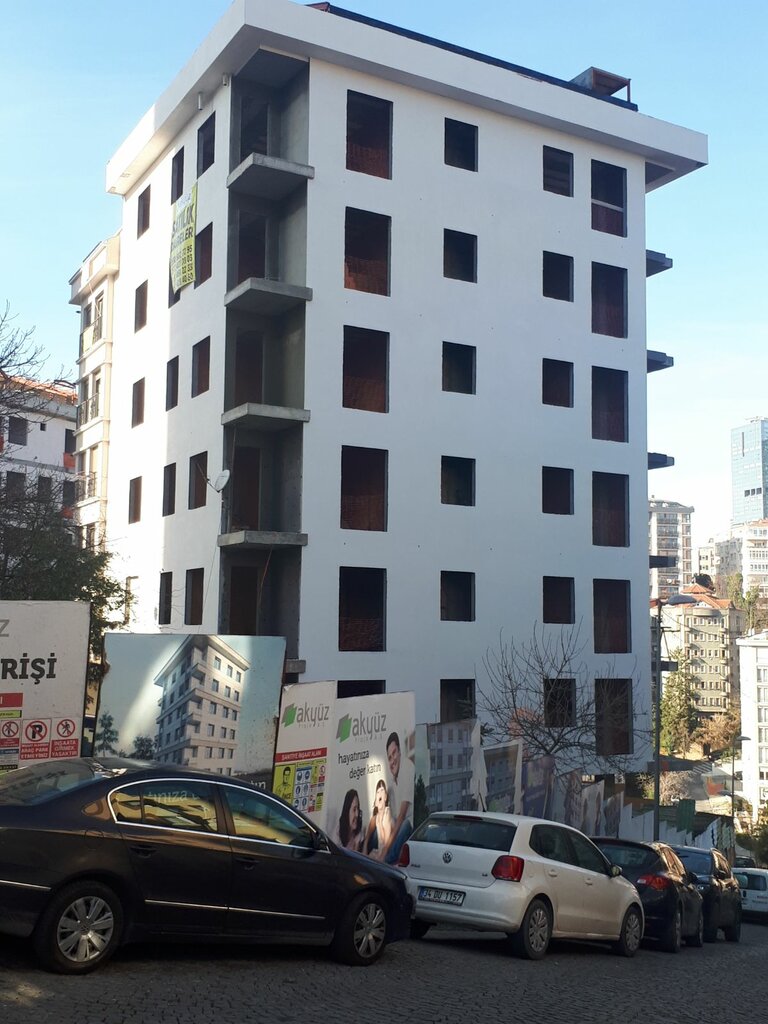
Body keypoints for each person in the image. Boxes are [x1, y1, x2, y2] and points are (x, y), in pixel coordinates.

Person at [380, 731, 414, 864]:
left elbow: (401, 817)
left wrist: (385, 850)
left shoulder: (407, 768)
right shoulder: (393, 781)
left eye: (394, 753)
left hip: (410, 824)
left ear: (400, 752)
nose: (392, 760)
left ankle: (385, 863)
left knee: (404, 825)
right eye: (389, 757)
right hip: (399, 823)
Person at [364, 779, 393, 861]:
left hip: (386, 853)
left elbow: (385, 842)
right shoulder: (376, 818)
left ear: (385, 797)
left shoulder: (387, 813)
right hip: (379, 852)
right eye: (378, 792)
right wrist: (365, 846)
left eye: (382, 790)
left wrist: (380, 822)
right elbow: (367, 837)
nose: (380, 793)